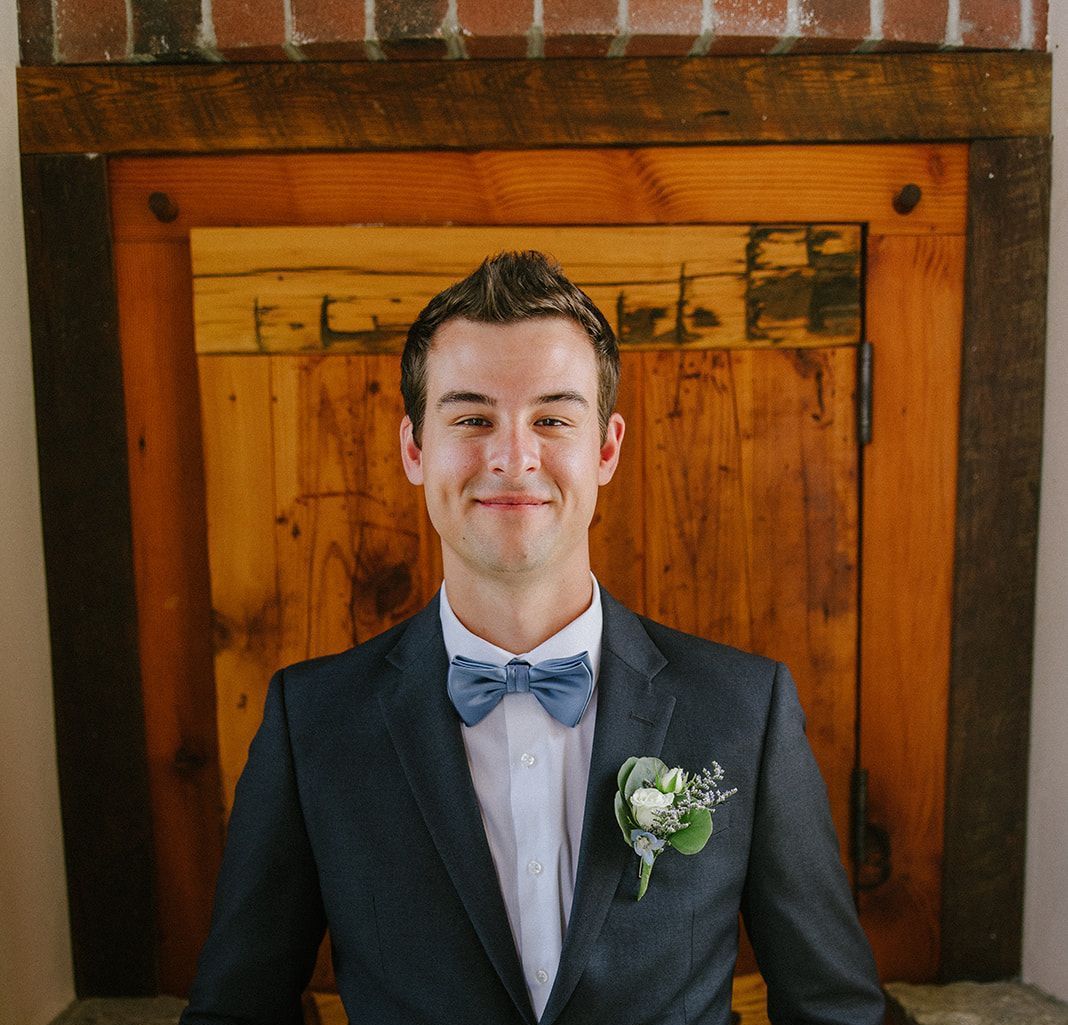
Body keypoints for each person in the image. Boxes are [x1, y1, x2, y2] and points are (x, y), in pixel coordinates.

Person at [181, 251, 885, 1025]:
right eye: (472, 417)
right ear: (415, 448)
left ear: (606, 448)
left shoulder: (746, 710)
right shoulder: (309, 720)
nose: (513, 456)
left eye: (552, 418)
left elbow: (834, 1011)